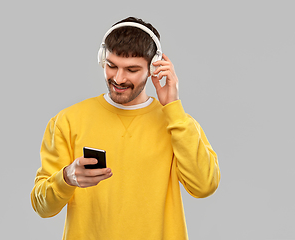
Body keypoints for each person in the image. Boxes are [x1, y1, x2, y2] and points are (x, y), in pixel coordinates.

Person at [31, 16, 220, 240]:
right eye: (111, 66)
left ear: (153, 68)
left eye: (131, 69)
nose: (118, 78)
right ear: (102, 60)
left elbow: (205, 186)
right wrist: (66, 178)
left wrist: (173, 108)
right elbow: (42, 207)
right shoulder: (67, 121)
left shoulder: (177, 123)